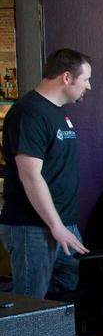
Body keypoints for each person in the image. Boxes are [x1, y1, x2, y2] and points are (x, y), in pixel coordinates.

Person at [0, 48, 91, 298]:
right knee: (30, 304)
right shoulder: (29, 112)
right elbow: (30, 176)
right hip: (33, 227)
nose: (89, 86)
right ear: (66, 77)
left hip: (62, 224)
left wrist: (63, 225)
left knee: (65, 289)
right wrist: (55, 225)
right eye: (85, 79)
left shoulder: (58, 112)